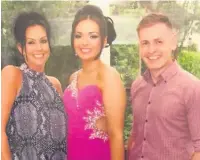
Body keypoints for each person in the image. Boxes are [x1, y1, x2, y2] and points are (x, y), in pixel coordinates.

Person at [128, 13, 200, 160]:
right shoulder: (137, 86)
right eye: (145, 43)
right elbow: (135, 136)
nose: (151, 50)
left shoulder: (192, 88)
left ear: (173, 43)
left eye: (158, 42)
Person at [63, 4, 126, 160]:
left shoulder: (110, 77)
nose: (84, 42)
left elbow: (117, 136)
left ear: (104, 40)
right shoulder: (73, 78)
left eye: (93, 36)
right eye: (78, 36)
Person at [1, 11, 67, 160]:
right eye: (31, 42)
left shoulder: (55, 85)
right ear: (20, 47)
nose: (39, 48)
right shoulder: (12, 75)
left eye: (43, 41)